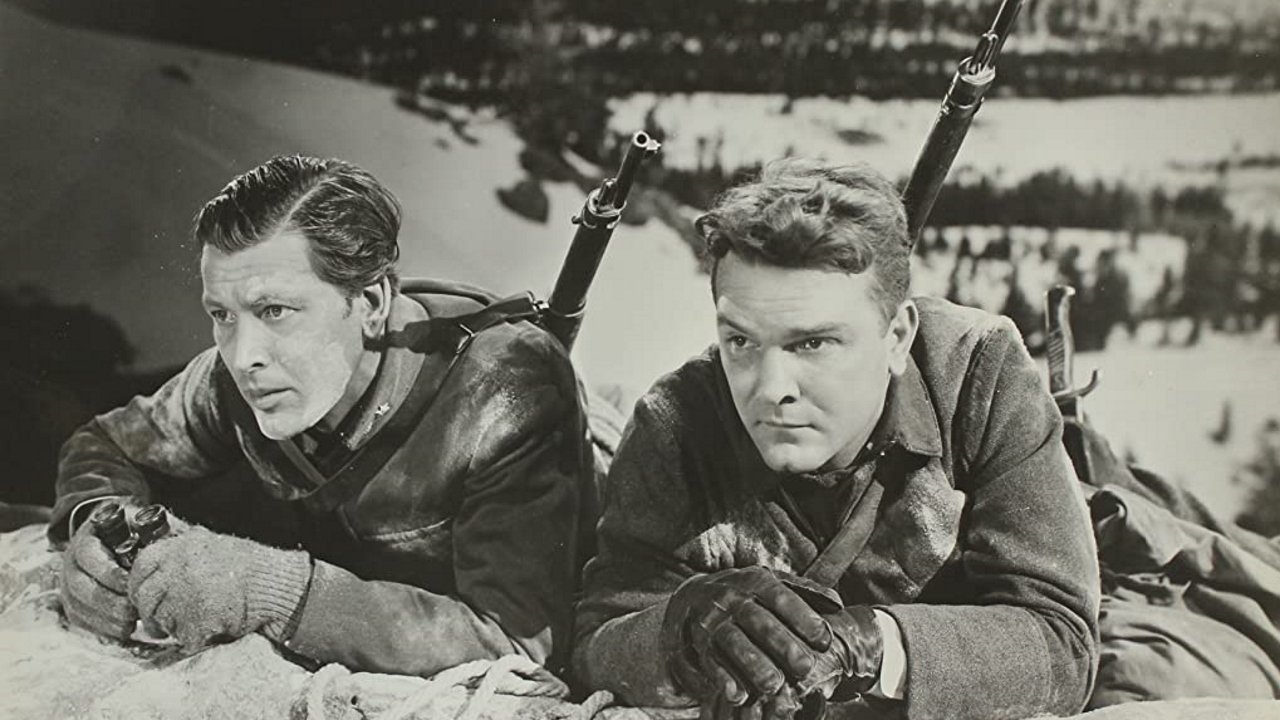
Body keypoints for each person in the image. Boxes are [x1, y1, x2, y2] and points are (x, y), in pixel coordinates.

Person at [573, 159, 1101, 719]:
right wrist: (676, 634)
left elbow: (1062, 642)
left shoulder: (977, 378)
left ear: (897, 337)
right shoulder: (677, 423)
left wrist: (871, 646)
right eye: (741, 342)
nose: (771, 388)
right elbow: (597, 638)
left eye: (812, 344)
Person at [50, 155, 594, 677]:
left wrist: (274, 590)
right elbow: (106, 444)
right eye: (222, 315)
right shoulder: (239, 374)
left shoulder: (505, 393)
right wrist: (95, 528)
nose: (242, 356)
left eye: (274, 311)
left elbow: (516, 642)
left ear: (371, 304)